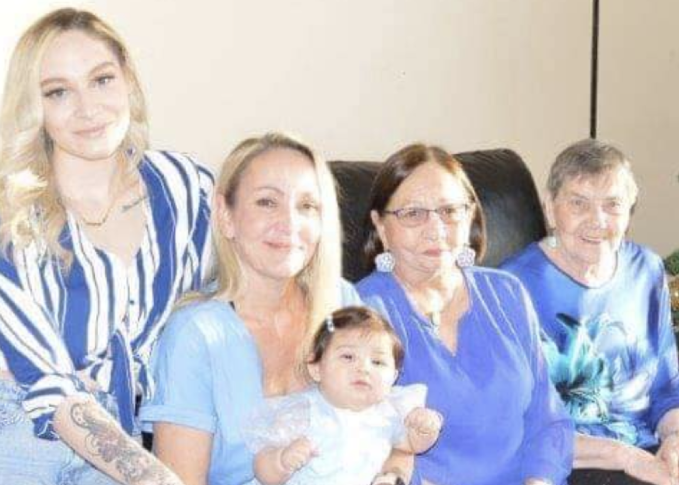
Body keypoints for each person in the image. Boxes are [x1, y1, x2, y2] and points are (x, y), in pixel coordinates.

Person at [0, 8, 213, 485]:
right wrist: (158, 479)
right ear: (34, 108)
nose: (88, 108)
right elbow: (51, 389)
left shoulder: (187, 187)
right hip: (15, 425)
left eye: (102, 80)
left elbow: (244, 285)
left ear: (128, 80)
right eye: (58, 92)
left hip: (126, 436)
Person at [140, 133, 362, 485]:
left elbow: (385, 425)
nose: (289, 223)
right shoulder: (195, 335)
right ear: (226, 216)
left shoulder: (343, 305)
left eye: (307, 206)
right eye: (266, 202)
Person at [356, 143, 574, 485]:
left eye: (449, 210)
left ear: (470, 214)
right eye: (413, 213)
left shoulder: (508, 293)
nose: (436, 229)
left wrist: (539, 481)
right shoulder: (361, 314)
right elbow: (356, 444)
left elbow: (547, 420)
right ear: (381, 226)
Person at [501, 139, 679, 485]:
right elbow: (517, 422)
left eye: (613, 205)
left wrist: (673, 440)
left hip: (648, 451)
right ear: (550, 209)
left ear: (629, 211)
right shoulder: (511, 286)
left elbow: (667, 386)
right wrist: (625, 458)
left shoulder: (646, 269)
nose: (597, 221)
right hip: (567, 463)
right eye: (578, 203)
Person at [245, 305, 442, 485]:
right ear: (316, 368)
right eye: (348, 357)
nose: (363, 368)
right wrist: (281, 461)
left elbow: (409, 445)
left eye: (378, 362)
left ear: (393, 377)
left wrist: (424, 431)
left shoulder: (388, 413)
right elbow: (261, 465)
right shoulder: (304, 412)